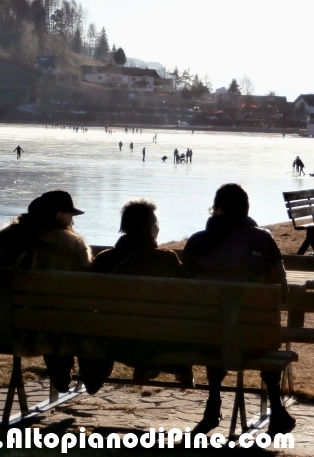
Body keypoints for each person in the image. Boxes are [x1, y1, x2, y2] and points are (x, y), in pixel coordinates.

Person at [182, 184, 295, 437]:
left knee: (217, 324)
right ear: (246, 210)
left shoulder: (197, 242)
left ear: (218, 210)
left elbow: (185, 293)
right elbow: (282, 294)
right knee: (258, 330)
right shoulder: (263, 239)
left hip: (204, 340)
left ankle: (213, 405)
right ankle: (276, 408)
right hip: (254, 340)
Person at [0, 190, 111, 394]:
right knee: (82, 318)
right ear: (58, 215)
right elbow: (88, 287)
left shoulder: (7, 237)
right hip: (57, 326)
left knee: (49, 314)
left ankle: (61, 375)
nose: (72, 220)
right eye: (70, 215)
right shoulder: (71, 244)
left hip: (12, 325)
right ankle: (91, 377)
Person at [92, 200, 189, 386]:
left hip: (111, 339)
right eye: (157, 224)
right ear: (152, 229)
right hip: (154, 340)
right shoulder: (166, 261)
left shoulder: (104, 260)